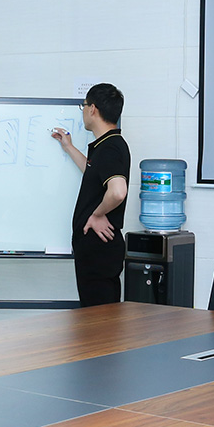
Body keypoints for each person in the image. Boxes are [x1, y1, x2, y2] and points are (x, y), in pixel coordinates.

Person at [50, 83, 130, 307]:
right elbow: (93, 173)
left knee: (100, 319)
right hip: (95, 251)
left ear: (93, 109)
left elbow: (118, 192)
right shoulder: (106, 145)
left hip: (99, 250)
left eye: (83, 106)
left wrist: (97, 214)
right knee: (96, 315)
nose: (83, 111)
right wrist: (69, 147)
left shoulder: (111, 147)